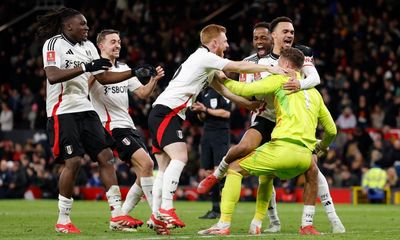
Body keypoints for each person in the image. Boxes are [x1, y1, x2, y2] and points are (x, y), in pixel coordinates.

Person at [198, 17, 345, 234]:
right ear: (272, 36)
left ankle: (264, 222)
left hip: (289, 123)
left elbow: (314, 78)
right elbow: (245, 95)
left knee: (308, 171)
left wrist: (299, 83)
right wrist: (249, 101)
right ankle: (218, 174)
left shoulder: (298, 58)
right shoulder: (256, 62)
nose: (289, 35)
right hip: (267, 118)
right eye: (285, 31)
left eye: (292, 32)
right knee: (244, 148)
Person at [147, 24, 286, 235]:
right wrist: (269, 68)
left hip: (164, 112)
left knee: (164, 168)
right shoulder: (205, 57)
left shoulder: (205, 64)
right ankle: (167, 209)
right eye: (225, 40)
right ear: (214, 44)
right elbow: (238, 67)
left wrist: (248, 105)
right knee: (181, 157)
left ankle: (157, 217)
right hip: (167, 112)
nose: (227, 44)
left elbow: (224, 89)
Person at [38, 8, 156, 234]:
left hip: (85, 108)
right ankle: (63, 219)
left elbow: (103, 77)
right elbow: (52, 76)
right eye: (82, 24)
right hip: (62, 110)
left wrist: (133, 73)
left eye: (87, 25)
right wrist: (84, 67)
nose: (86, 28)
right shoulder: (53, 44)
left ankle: (117, 214)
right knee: (73, 162)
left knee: (106, 157)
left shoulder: (89, 47)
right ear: (68, 26)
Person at [89, 29, 165, 230]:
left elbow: (141, 93)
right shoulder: (96, 69)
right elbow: (83, 89)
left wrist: (153, 81)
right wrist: (91, 71)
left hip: (129, 126)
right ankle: (157, 216)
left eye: (119, 42)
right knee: (147, 163)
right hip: (111, 127)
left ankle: (120, 218)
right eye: (113, 41)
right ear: (101, 46)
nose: (118, 45)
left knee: (144, 173)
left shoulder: (124, 68)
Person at [192, 86, 231, 219]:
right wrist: (199, 111)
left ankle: (226, 208)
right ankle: (215, 209)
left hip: (220, 134)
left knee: (219, 172)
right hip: (207, 134)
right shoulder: (205, 92)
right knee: (208, 173)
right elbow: (204, 117)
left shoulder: (222, 90)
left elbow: (226, 113)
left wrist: (205, 109)